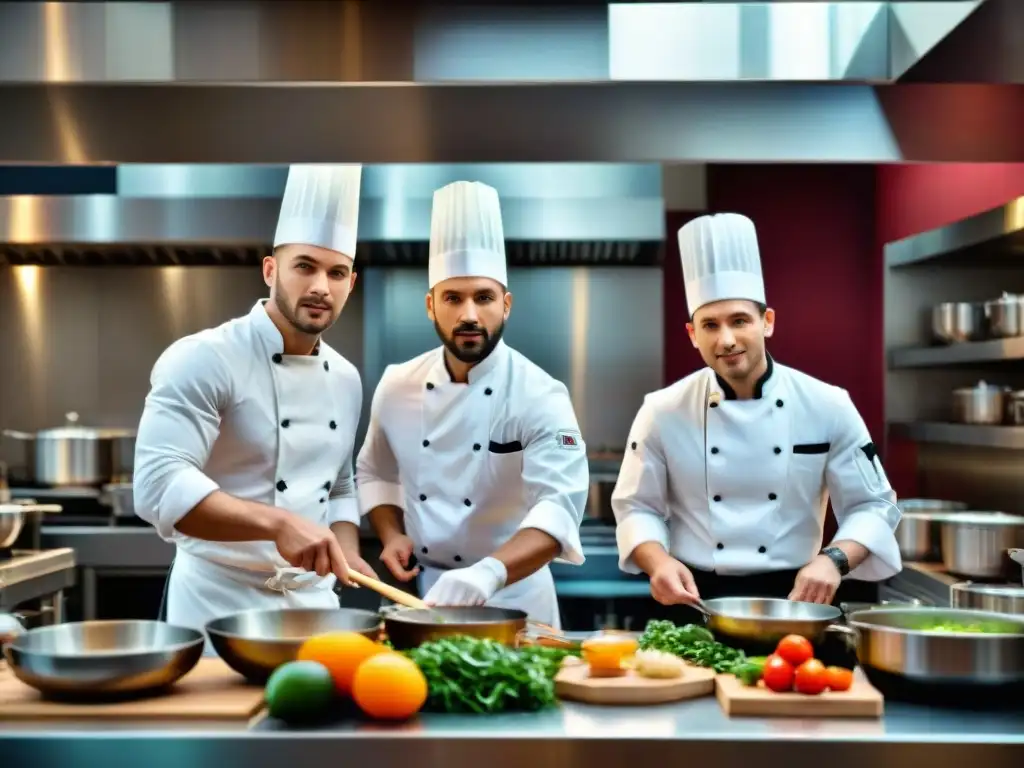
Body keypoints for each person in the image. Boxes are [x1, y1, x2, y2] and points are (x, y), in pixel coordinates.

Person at [612, 212, 902, 618]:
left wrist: (833, 560)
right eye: (710, 325)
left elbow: (874, 505)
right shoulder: (662, 410)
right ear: (693, 334)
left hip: (797, 597)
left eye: (739, 321)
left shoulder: (827, 404)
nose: (726, 339)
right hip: (693, 597)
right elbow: (636, 507)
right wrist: (658, 563)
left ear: (767, 322)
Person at [134, 164, 377, 639]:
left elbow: (340, 485)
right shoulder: (205, 357)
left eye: (337, 272)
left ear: (352, 282)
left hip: (314, 606)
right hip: (215, 605)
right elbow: (158, 485)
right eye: (304, 266)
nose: (320, 287)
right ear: (270, 270)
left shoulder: (346, 378)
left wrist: (344, 549)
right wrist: (278, 523)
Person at [354, 180, 588, 629]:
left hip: (518, 594)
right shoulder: (397, 384)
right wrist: (391, 533)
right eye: (452, 298)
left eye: (483, 297)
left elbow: (558, 506)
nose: (468, 315)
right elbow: (376, 471)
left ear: (506, 305)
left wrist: (490, 572)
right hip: (430, 595)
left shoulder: (541, 393)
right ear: (429, 305)